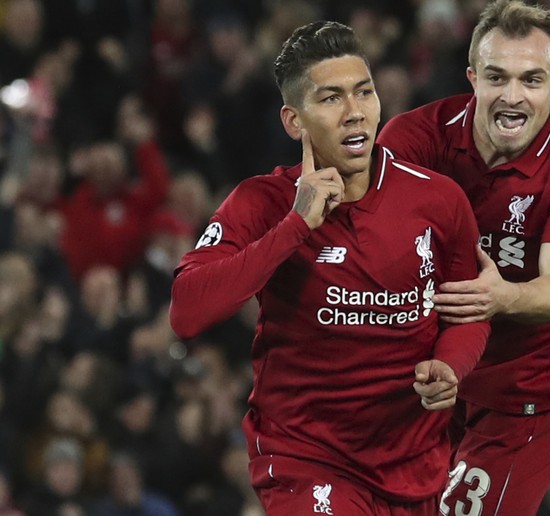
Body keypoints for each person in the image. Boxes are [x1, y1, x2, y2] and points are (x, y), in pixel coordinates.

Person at [168, 21, 489, 515]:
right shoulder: (262, 202)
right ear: (294, 122)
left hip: (415, 462)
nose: (355, 112)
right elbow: (187, 311)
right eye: (331, 98)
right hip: (306, 458)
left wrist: (451, 365)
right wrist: (296, 225)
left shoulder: (437, 199)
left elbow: (467, 311)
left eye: (364, 92)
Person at [377, 0, 550, 514]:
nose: (513, 97)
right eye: (497, 77)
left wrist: (498, 296)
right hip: (431, 384)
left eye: (532, 80)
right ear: (472, 78)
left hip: (522, 401)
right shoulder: (413, 141)